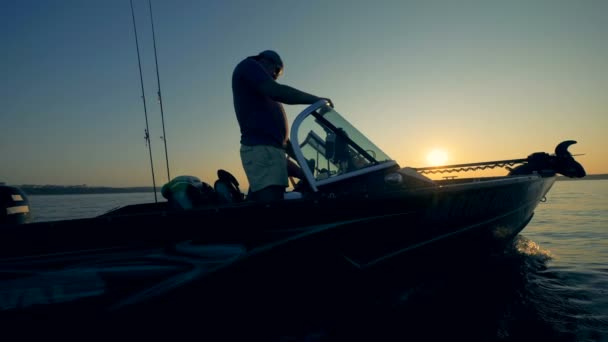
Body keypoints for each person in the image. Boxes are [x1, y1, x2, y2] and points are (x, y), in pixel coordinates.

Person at [231, 50, 332, 202]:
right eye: (277, 70)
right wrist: (317, 100)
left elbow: (281, 141)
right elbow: (278, 91)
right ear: (264, 60)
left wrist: (303, 163)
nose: (275, 76)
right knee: (273, 209)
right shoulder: (249, 66)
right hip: (261, 150)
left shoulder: (264, 91)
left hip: (272, 152)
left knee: (264, 202)